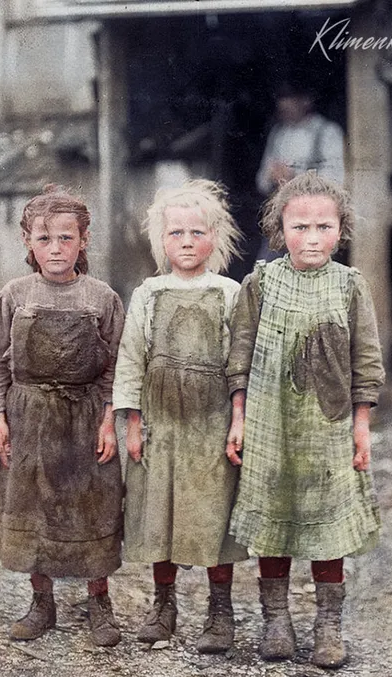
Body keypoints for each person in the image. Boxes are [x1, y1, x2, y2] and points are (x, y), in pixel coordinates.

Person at [225, 171, 385, 668]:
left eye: (322, 227)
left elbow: (367, 361)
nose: (311, 238)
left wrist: (360, 427)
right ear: (279, 230)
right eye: (299, 227)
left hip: (328, 427)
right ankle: (276, 619)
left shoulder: (351, 286)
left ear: (341, 231)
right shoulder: (262, 282)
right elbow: (240, 353)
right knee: (274, 521)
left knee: (326, 526)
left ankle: (328, 624)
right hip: (271, 424)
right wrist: (239, 416)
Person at [0, 186, 125, 647]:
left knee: (92, 506)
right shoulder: (13, 294)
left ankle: (99, 603)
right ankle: (41, 603)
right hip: (29, 417)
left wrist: (108, 421)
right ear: (28, 242)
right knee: (32, 505)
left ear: (83, 240)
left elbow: (116, 367)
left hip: (84, 418)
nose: (56, 249)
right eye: (44, 239)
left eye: (66, 238)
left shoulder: (101, 297)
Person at [113, 179, 247, 654]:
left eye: (197, 232)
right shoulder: (148, 293)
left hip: (211, 426)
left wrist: (238, 417)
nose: (186, 241)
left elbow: (240, 363)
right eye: (176, 233)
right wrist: (132, 423)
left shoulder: (230, 293)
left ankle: (220, 611)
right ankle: (163, 605)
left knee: (214, 516)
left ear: (216, 236)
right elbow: (131, 359)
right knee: (160, 516)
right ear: (161, 240)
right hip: (161, 426)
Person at [256, 83, 345, 197]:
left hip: (316, 205)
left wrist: (295, 177)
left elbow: (336, 178)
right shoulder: (277, 133)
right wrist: (273, 176)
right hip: (283, 205)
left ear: (306, 100)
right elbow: (261, 181)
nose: (284, 107)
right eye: (281, 101)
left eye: (291, 99)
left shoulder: (328, 131)